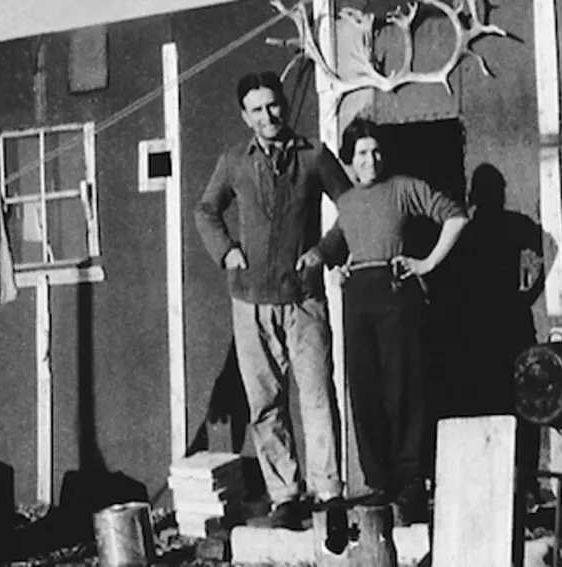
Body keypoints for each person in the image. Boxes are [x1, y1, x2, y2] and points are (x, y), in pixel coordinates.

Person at [194, 71, 350, 529]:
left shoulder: (314, 155)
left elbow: (353, 207)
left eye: (273, 105)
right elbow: (206, 210)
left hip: (304, 299)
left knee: (317, 395)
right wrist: (227, 251)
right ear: (245, 116)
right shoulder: (234, 161)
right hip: (250, 302)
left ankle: (329, 493)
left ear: (284, 103)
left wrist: (324, 251)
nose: (268, 116)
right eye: (257, 110)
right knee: (265, 402)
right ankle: (286, 496)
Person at [297, 118, 468, 525]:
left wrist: (426, 263)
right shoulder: (348, 201)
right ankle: (379, 481)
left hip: (397, 294)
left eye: (376, 151)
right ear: (349, 160)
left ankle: (411, 482)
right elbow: (338, 239)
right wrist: (320, 257)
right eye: (361, 153)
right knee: (365, 388)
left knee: (402, 387)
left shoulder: (405, 188)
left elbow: (456, 216)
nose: (370, 160)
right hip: (357, 299)